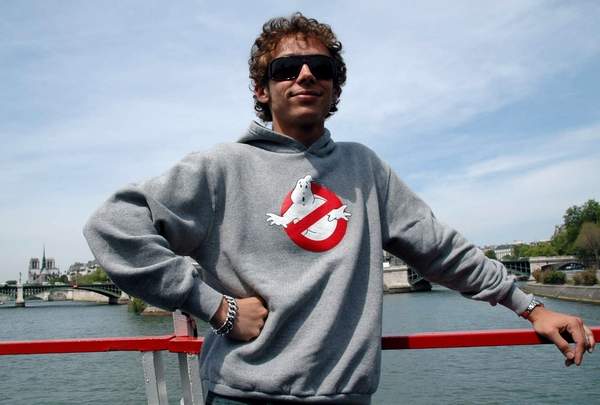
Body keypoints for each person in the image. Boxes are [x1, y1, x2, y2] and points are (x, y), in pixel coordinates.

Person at [84, 12, 595, 405]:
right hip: (242, 396)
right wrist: (216, 308)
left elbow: (439, 250)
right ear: (262, 89)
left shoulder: (365, 169)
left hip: (347, 397)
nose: (306, 75)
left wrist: (530, 306)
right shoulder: (221, 167)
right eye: (286, 68)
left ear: (334, 89)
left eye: (321, 68)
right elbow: (114, 227)